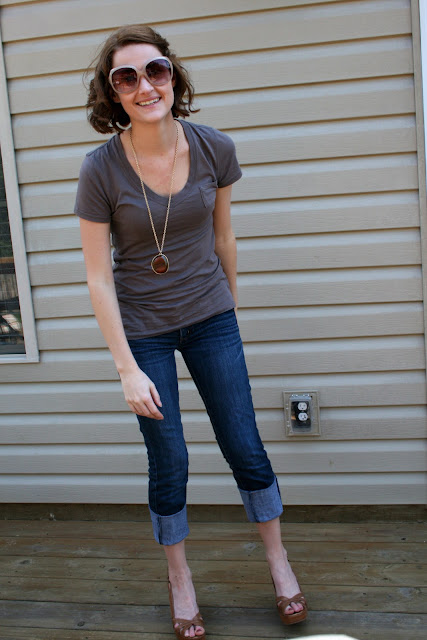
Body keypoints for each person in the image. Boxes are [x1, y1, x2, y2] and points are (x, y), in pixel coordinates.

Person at [75, 24, 307, 639]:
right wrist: (126, 368)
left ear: (172, 75)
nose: (145, 86)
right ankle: (180, 578)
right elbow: (98, 278)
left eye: (155, 70)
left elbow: (224, 237)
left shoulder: (213, 148)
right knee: (170, 458)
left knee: (243, 443)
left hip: (211, 320)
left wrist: (228, 310)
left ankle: (278, 561)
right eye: (127, 77)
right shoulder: (100, 170)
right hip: (144, 332)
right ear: (113, 92)